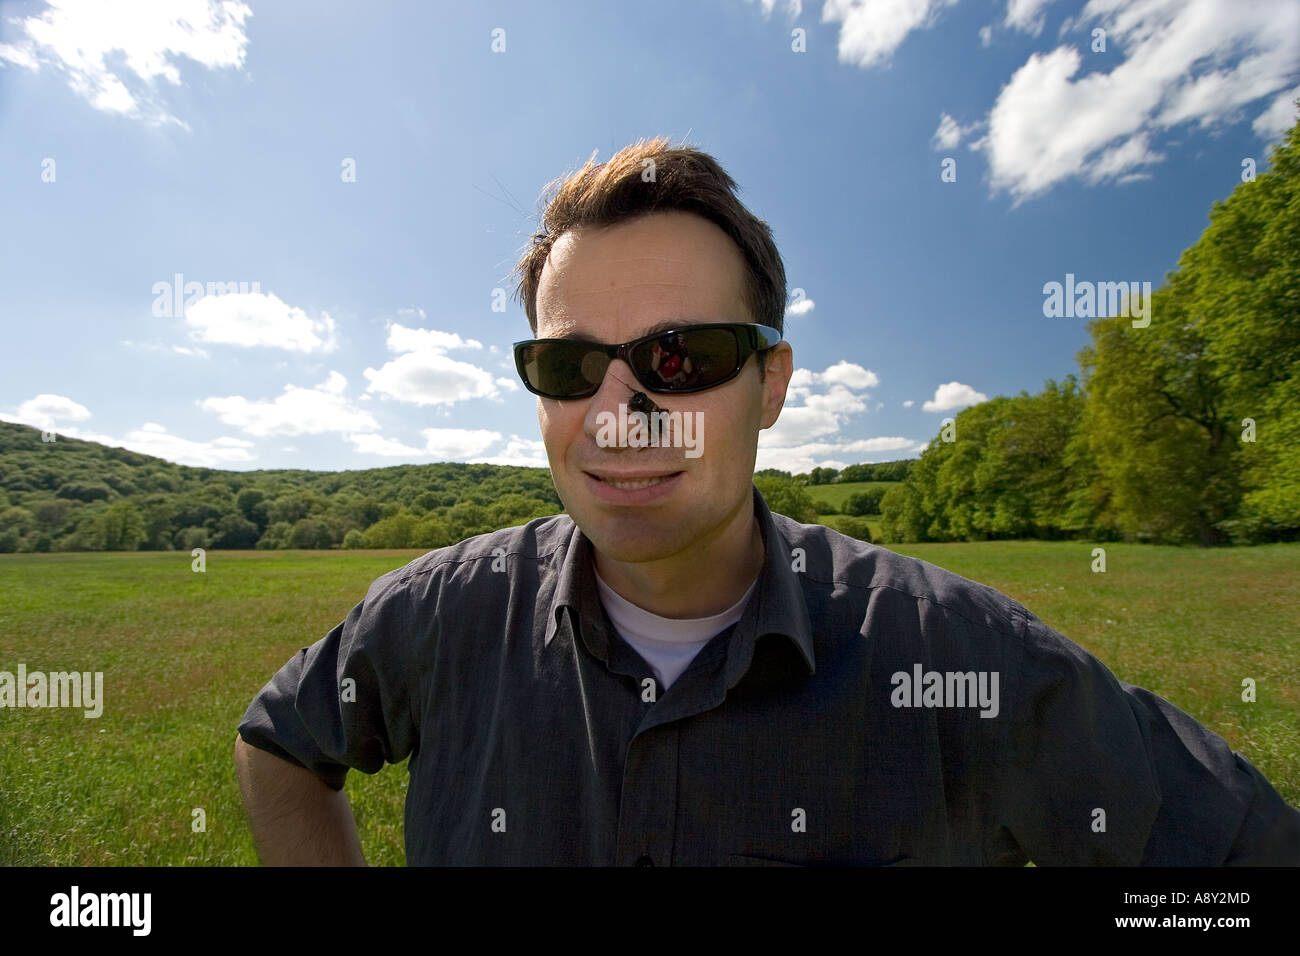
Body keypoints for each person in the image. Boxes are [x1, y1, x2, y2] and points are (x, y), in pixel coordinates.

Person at [234, 137, 1300, 866]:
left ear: (772, 384)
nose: (618, 412)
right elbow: (280, 741)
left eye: (678, 354)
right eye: (567, 365)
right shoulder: (439, 611)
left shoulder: (952, 649)